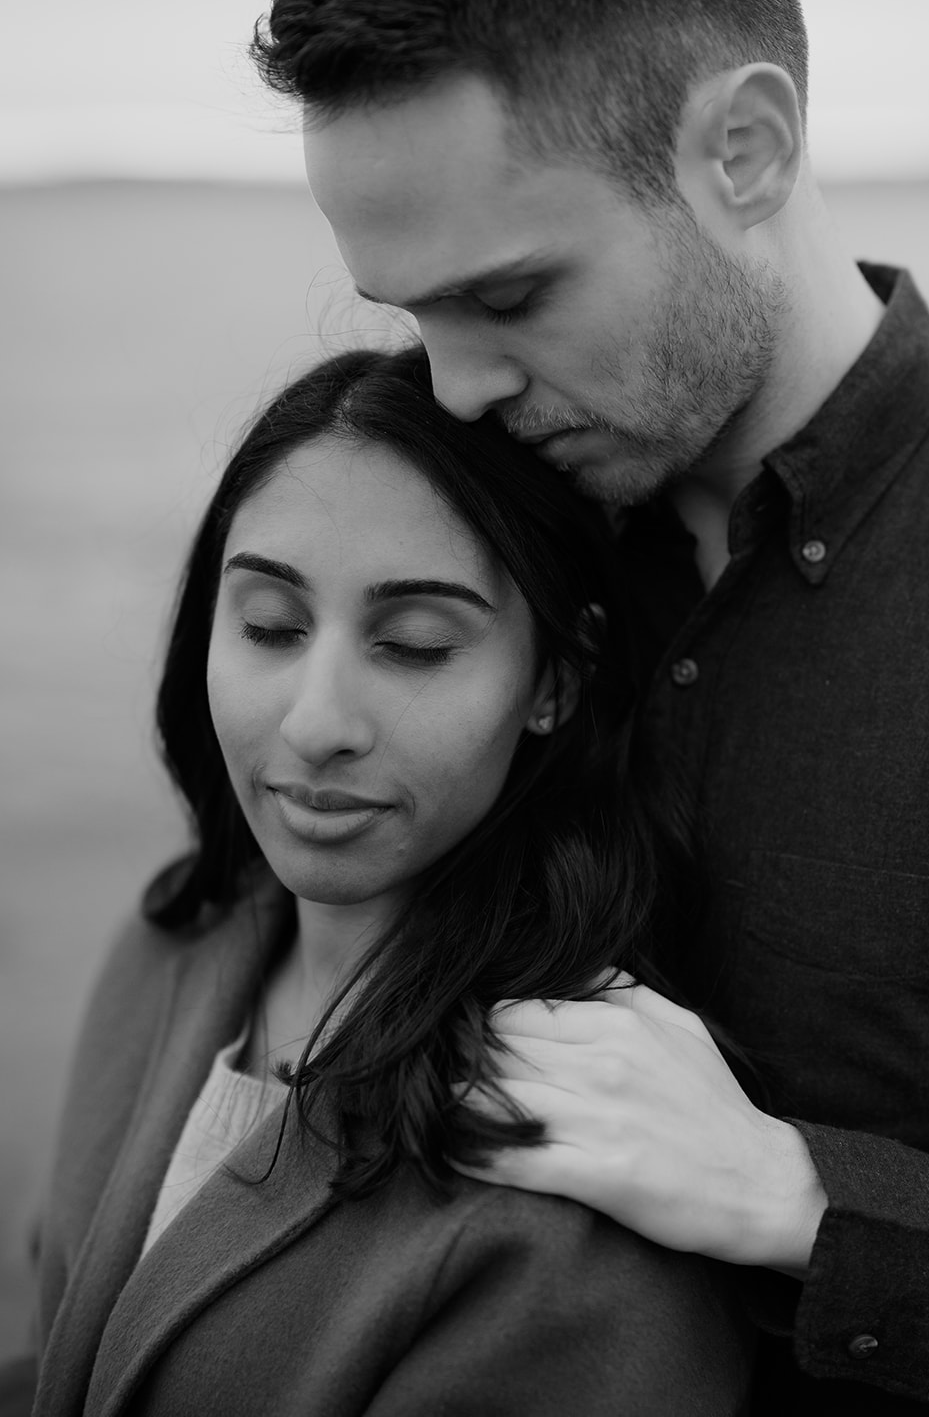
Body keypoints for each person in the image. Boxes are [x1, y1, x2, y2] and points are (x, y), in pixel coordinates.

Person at [249, 0, 929, 1411]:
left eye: (509, 297)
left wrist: (808, 1206)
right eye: (410, 315)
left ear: (743, 151)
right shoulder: (476, 540)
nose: (459, 388)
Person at [30, 348, 751, 1416]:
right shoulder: (180, 937)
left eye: (413, 645)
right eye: (269, 625)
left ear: (556, 677)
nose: (317, 723)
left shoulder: (562, 1194)